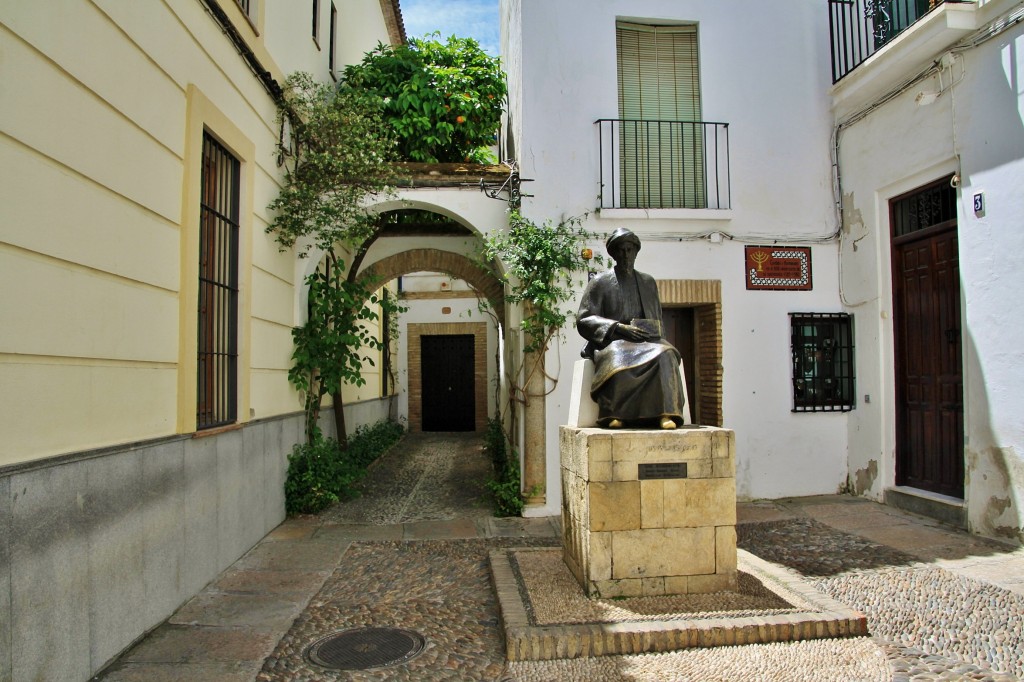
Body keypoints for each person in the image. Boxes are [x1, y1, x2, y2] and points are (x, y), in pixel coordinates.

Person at [577, 228, 687, 429]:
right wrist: (618, 327)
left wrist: (651, 330)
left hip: (645, 341)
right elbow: (584, 318)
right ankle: (615, 414)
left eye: (629, 249)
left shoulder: (647, 282)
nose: (626, 254)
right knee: (618, 356)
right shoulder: (600, 282)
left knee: (666, 354)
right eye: (621, 250)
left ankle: (665, 413)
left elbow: (656, 318)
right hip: (612, 339)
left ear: (636, 251)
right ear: (614, 253)